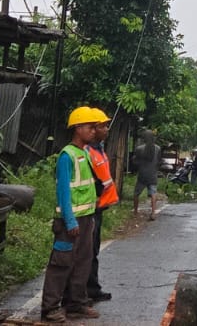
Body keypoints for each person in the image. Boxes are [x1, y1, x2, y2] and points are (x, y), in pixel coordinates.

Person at [41, 106, 105, 322]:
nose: (94, 131)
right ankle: (50, 308)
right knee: (61, 263)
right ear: (78, 128)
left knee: (82, 262)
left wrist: (91, 217)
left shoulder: (84, 152)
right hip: (71, 220)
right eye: (90, 127)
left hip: (86, 218)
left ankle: (76, 304)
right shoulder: (67, 156)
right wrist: (70, 221)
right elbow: (63, 193)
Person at [82, 118, 119, 305]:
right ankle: (81, 294)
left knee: (93, 249)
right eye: (103, 126)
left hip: (99, 207)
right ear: (94, 129)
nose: (107, 129)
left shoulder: (99, 149)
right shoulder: (87, 151)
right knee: (86, 251)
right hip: (90, 207)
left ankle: (92, 289)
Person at [131, 130, 160, 221]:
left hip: (142, 175)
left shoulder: (139, 149)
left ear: (144, 138)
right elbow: (158, 161)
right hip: (152, 174)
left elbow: (135, 162)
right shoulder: (157, 148)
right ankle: (153, 212)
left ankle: (135, 212)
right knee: (153, 193)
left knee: (136, 194)